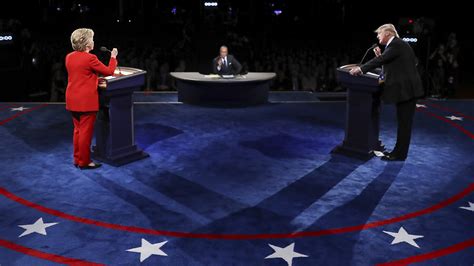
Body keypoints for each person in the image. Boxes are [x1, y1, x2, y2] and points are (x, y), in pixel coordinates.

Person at [350, 24, 424, 161]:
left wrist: (361, 69)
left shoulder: (396, 44)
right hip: (407, 90)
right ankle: (399, 152)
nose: (378, 36)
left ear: (388, 33)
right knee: (403, 124)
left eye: (379, 33)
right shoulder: (397, 45)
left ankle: (399, 154)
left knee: (404, 124)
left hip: (407, 91)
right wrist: (382, 56)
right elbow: (391, 64)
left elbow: (381, 61)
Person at [65, 28, 118, 169]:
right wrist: (113, 57)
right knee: (85, 133)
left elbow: (82, 74)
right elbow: (109, 71)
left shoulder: (69, 57)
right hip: (86, 101)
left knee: (77, 130)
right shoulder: (90, 58)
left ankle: (77, 159)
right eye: (92, 39)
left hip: (72, 98)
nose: (93, 41)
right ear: (87, 43)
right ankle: (85, 161)